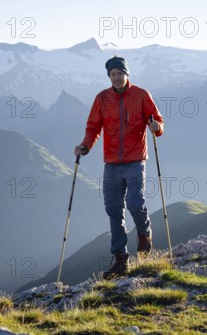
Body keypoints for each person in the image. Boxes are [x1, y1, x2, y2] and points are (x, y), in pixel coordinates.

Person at [75, 56, 164, 279]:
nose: (116, 78)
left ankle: (144, 234)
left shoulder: (142, 95)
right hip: (112, 164)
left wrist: (156, 127)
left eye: (119, 74)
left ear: (127, 74)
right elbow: (93, 127)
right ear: (109, 76)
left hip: (135, 161)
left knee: (134, 204)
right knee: (113, 210)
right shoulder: (102, 98)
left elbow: (158, 122)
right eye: (112, 74)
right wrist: (85, 146)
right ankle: (120, 258)